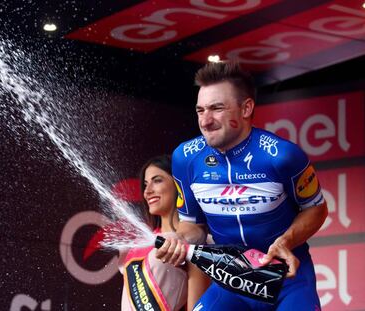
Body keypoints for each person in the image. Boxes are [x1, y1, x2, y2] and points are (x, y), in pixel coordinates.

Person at [156, 61, 328, 310]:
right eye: (200, 110)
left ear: (246, 108)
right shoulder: (185, 158)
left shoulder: (282, 155)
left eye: (216, 109)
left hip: (287, 279)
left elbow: (317, 209)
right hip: (230, 280)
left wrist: (286, 241)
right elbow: (194, 226)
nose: (205, 121)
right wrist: (179, 237)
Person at [120, 155, 210, 311]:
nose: (148, 191)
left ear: (178, 185)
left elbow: (198, 307)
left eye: (157, 180)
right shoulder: (139, 242)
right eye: (145, 184)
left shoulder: (197, 242)